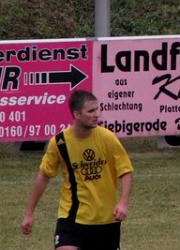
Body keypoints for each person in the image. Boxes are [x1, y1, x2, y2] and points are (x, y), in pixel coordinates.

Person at [21, 90, 133, 250]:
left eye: (97, 109)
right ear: (77, 114)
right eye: (91, 111)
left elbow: (126, 171)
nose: (97, 115)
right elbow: (43, 176)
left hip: (106, 219)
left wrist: (122, 203)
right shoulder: (59, 142)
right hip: (71, 217)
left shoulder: (108, 138)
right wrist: (29, 213)